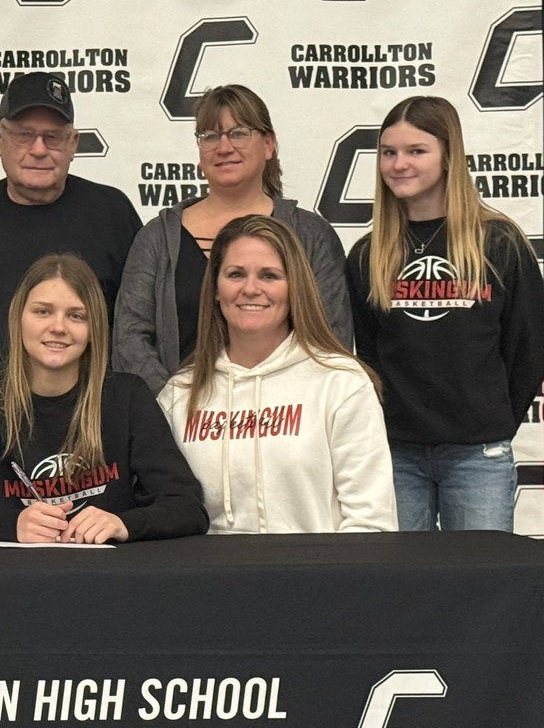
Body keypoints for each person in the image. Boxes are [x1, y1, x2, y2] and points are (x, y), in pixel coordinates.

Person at [346, 96, 544, 532]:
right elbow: (368, 358)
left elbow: (529, 348)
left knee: (481, 588)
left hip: (478, 456)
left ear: (449, 156)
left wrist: (491, 422)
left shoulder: (499, 243)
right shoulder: (367, 254)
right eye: (389, 152)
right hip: (396, 454)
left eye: (417, 151)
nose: (399, 164)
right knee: (403, 591)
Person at [0, 253, 208, 544]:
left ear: (94, 329)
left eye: (76, 315)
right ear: (18, 320)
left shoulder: (128, 398)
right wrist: (13, 524)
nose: (58, 327)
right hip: (6, 583)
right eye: (42, 312)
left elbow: (187, 506)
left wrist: (123, 524)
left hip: (110, 582)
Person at [159, 215, 397, 534]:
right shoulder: (180, 393)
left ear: (293, 287)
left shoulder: (341, 383)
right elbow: (165, 513)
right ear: (216, 288)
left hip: (316, 579)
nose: (251, 289)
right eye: (235, 274)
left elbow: (372, 522)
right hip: (210, 581)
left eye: (269, 276)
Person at [113, 84, 352, 396]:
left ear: (269, 144)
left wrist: (282, 410)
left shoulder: (310, 235)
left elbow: (331, 338)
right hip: (180, 428)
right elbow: (130, 338)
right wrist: (175, 410)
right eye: (210, 136)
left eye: (238, 133)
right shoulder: (157, 238)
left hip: (286, 423)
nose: (223, 147)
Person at [0, 71, 142, 375]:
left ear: (73, 143)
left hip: (90, 414)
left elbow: (141, 325)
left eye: (53, 137)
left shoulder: (111, 213)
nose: (38, 150)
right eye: (24, 135)